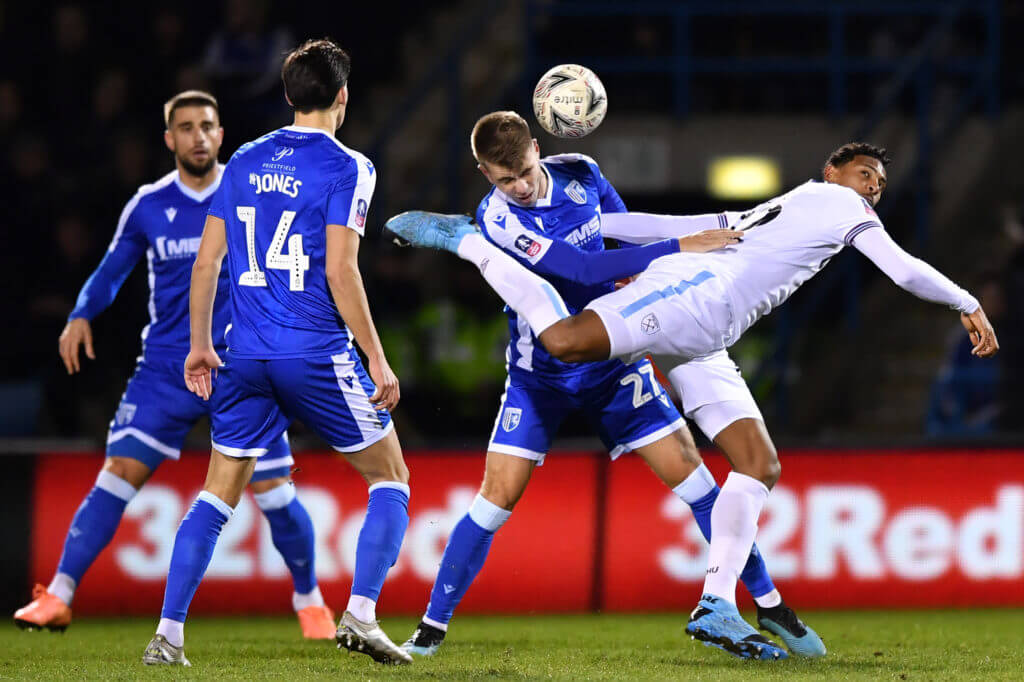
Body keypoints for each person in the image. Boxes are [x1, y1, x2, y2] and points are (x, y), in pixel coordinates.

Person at [387, 141, 998, 659]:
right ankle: (464, 241)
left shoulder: (779, 209)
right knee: (566, 342)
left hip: (709, 333)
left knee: (757, 464)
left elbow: (654, 225)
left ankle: (736, 604)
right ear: (831, 173)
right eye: (865, 173)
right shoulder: (838, 203)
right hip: (692, 298)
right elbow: (901, 269)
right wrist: (965, 301)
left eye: (882, 183)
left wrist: (619, 231)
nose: (874, 188)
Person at [394, 112, 825, 662]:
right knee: (496, 500)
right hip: (541, 375)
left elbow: (619, 231)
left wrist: (658, 264)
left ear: (537, 148)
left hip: (615, 364)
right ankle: (430, 631)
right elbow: (580, 268)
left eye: (523, 171)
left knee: (700, 488)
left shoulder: (581, 172)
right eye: (504, 180)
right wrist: (677, 248)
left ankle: (768, 604)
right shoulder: (499, 218)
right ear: (484, 174)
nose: (519, 187)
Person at [15, 90, 336, 641]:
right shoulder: (148, 204)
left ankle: (310, 602)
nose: (197, 136)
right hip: (167, 367)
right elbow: (112, 269)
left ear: (221, 133)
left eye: (206, 126)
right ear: (169, 139)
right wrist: (81, 314)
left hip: (240, 365)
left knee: (277, 493)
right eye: (185, 128)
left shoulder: (251, 193)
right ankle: (59, 596)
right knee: (117, 475)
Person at [141, 39, 412, 667]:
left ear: (288, 96)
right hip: (315, 353)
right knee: (391, 478)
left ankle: (168, 635)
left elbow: (208, 262)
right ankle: (363, 616)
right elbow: (342, 273)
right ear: (343, 95)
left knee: (216, 495)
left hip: (244, 354)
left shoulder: (241, 159)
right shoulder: (351, 167)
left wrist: (201, 345)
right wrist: (376, 357)